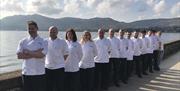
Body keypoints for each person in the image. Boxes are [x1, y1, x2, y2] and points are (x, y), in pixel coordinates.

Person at [16, 21, 47, 91]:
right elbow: (19, 56)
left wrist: (28, 52)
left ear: (37, 28)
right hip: (26, 73)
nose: (31, 30)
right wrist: (36, 52)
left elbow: (42, 55)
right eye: (29, 29)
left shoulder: (44, 41)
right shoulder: (23, 41)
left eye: (32, 28)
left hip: (39, 73)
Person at [45, 26, 68, 91]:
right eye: (51, 31)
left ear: (57, 32)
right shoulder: (45, 41)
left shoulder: (62, 41)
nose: (52, 33)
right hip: (48, 67)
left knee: (60, 86)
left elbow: (66, 54)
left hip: (59, 68)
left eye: (54, 31)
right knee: (49, 86)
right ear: (49, 32)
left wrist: (60, 62)